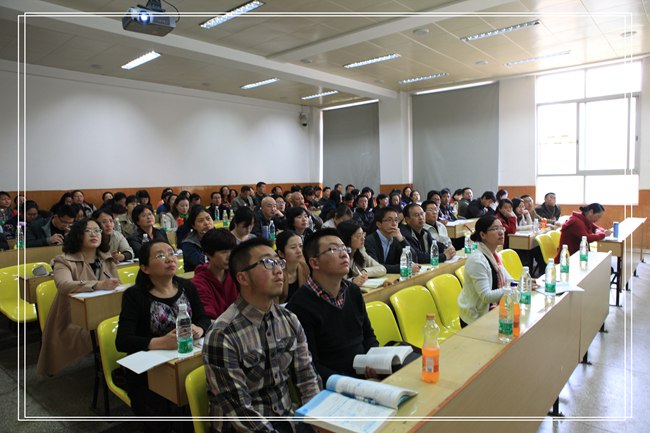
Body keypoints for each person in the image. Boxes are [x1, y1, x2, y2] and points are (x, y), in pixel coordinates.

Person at [204, 238, 321, 433]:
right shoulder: (222, 334)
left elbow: (307, 377)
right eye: (267, 262)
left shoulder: (289, 319)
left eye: (278, 262)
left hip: (287, 418)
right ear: (243, 278)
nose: (279, 270)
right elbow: (240, 412)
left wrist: (319, 421)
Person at [116, 240, 210, 433]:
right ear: (145, 268)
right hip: (149, 370)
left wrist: (199, 329)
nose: (169, 259)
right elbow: (123, 341)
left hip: (185, 359)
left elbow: (203, 318)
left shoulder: (187, 286)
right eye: (160, 256)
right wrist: (160, 342)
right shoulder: (135, 295)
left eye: (171, 253)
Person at [287, 229, 378, 383]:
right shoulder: (299, 306)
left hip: (366, 375)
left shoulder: (353, 291)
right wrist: (353, 383)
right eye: (333, 249)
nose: (344, 254)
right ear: (314, 263)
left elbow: (368, 335)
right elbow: (311, 366)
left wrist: (375, 362)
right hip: (336, 386)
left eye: (344, 248)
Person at [37, 218, 120, 375]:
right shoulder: (64, 260)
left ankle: (120, 366)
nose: (94, 234)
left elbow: (117, 284)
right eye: (88, 231)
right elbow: (63, 285)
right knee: (106, 332)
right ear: (77, 235)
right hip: (74, 317)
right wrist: (97, 285)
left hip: (104, 310)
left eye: (97, 230)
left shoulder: (106, 259)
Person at [457, 215, 512, 327]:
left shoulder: (494, 255)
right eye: (495, 229)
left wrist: (523, 283)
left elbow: (509, 280)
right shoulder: (477, 260)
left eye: (502, 228)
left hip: (490, 310)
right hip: (474, 317)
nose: (501, 232)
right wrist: (513, 289)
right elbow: (486, 296)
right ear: (483, 235)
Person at [192, 228, 238, 320]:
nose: (229, 256)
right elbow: (207, 318)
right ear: (208, 254)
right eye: (224, 252)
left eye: (232, 251)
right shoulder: (199, 283)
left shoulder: (237, 275)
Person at [364, 207, 420, 274]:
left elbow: (413, 259)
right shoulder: (370, 240)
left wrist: (401, 239)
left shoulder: (396, 238)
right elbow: (375, 266)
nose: (394, 224)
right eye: (389, 220)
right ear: (379, 224)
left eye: (396, 220)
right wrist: (404, 267)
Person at [337, 221, 386, 287]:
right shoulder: (339, 256)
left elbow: (382, 269)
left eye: (363, 234)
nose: (363, 238)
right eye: (358, 236)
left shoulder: (361, 251)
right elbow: (334, 282)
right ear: (347, 238)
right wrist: (352, 281)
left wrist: (365, 271)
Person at [276, 230, 309, 303]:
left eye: (300, 246)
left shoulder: (305, 267)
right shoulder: (276, 272)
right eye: (293, 247)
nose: (299, 251)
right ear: (281, 253)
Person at [180, 205, 214, 272]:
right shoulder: (188, 244)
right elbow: (203, 264)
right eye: (201, 221)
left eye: (208, 219)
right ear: (194, 226)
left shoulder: (219, 236)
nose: (206, 223)